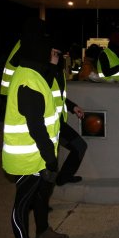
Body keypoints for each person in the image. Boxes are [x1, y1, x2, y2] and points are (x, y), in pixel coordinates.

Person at [2, 17, 69, 238]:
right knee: (21, 207)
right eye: (48, 46)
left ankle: (43, 231)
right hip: (28, 158)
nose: (52, 52)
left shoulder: (34, 72)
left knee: (41, 197)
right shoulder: (28, 80)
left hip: (38, 155)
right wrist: (50, 158)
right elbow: (36, 127)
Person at [51, 53, 88, 186]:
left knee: (80, 146)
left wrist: (73, 107)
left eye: (57, 53)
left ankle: (63, 177)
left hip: (57, 123)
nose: (56, 56)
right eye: (53, 53)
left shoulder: (57, 72)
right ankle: (60, 179)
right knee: (79, 147)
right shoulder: (45, 73)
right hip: (50, 125)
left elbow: (59, 98)